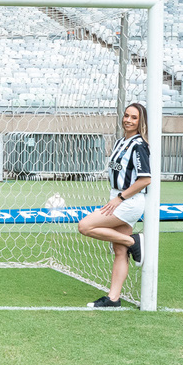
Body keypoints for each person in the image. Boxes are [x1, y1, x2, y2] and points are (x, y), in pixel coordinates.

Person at [77, 102, 151, 308]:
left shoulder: (139, 146)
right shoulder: (121, 142)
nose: (128, 120)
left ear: (141, 121)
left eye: (134, 117)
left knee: (85, 226)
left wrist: (120, 198)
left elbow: (145, 179)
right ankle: (113, 298)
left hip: (127, 201)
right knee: (119, 250)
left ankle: (134, 242)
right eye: (127, 115)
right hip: (117, 198)